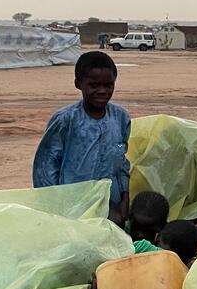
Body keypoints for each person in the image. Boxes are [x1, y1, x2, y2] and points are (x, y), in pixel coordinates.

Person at [33, 52, 131, 225]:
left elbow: (122, 162)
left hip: (111, 205)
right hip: (72, 206)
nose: (102, 91)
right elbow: (46, 167)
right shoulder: (66, 120)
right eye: (93, 85)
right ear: (78, 84)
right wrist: (53, 208)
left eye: (108, 85)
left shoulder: (120, 117)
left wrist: (125, 196)